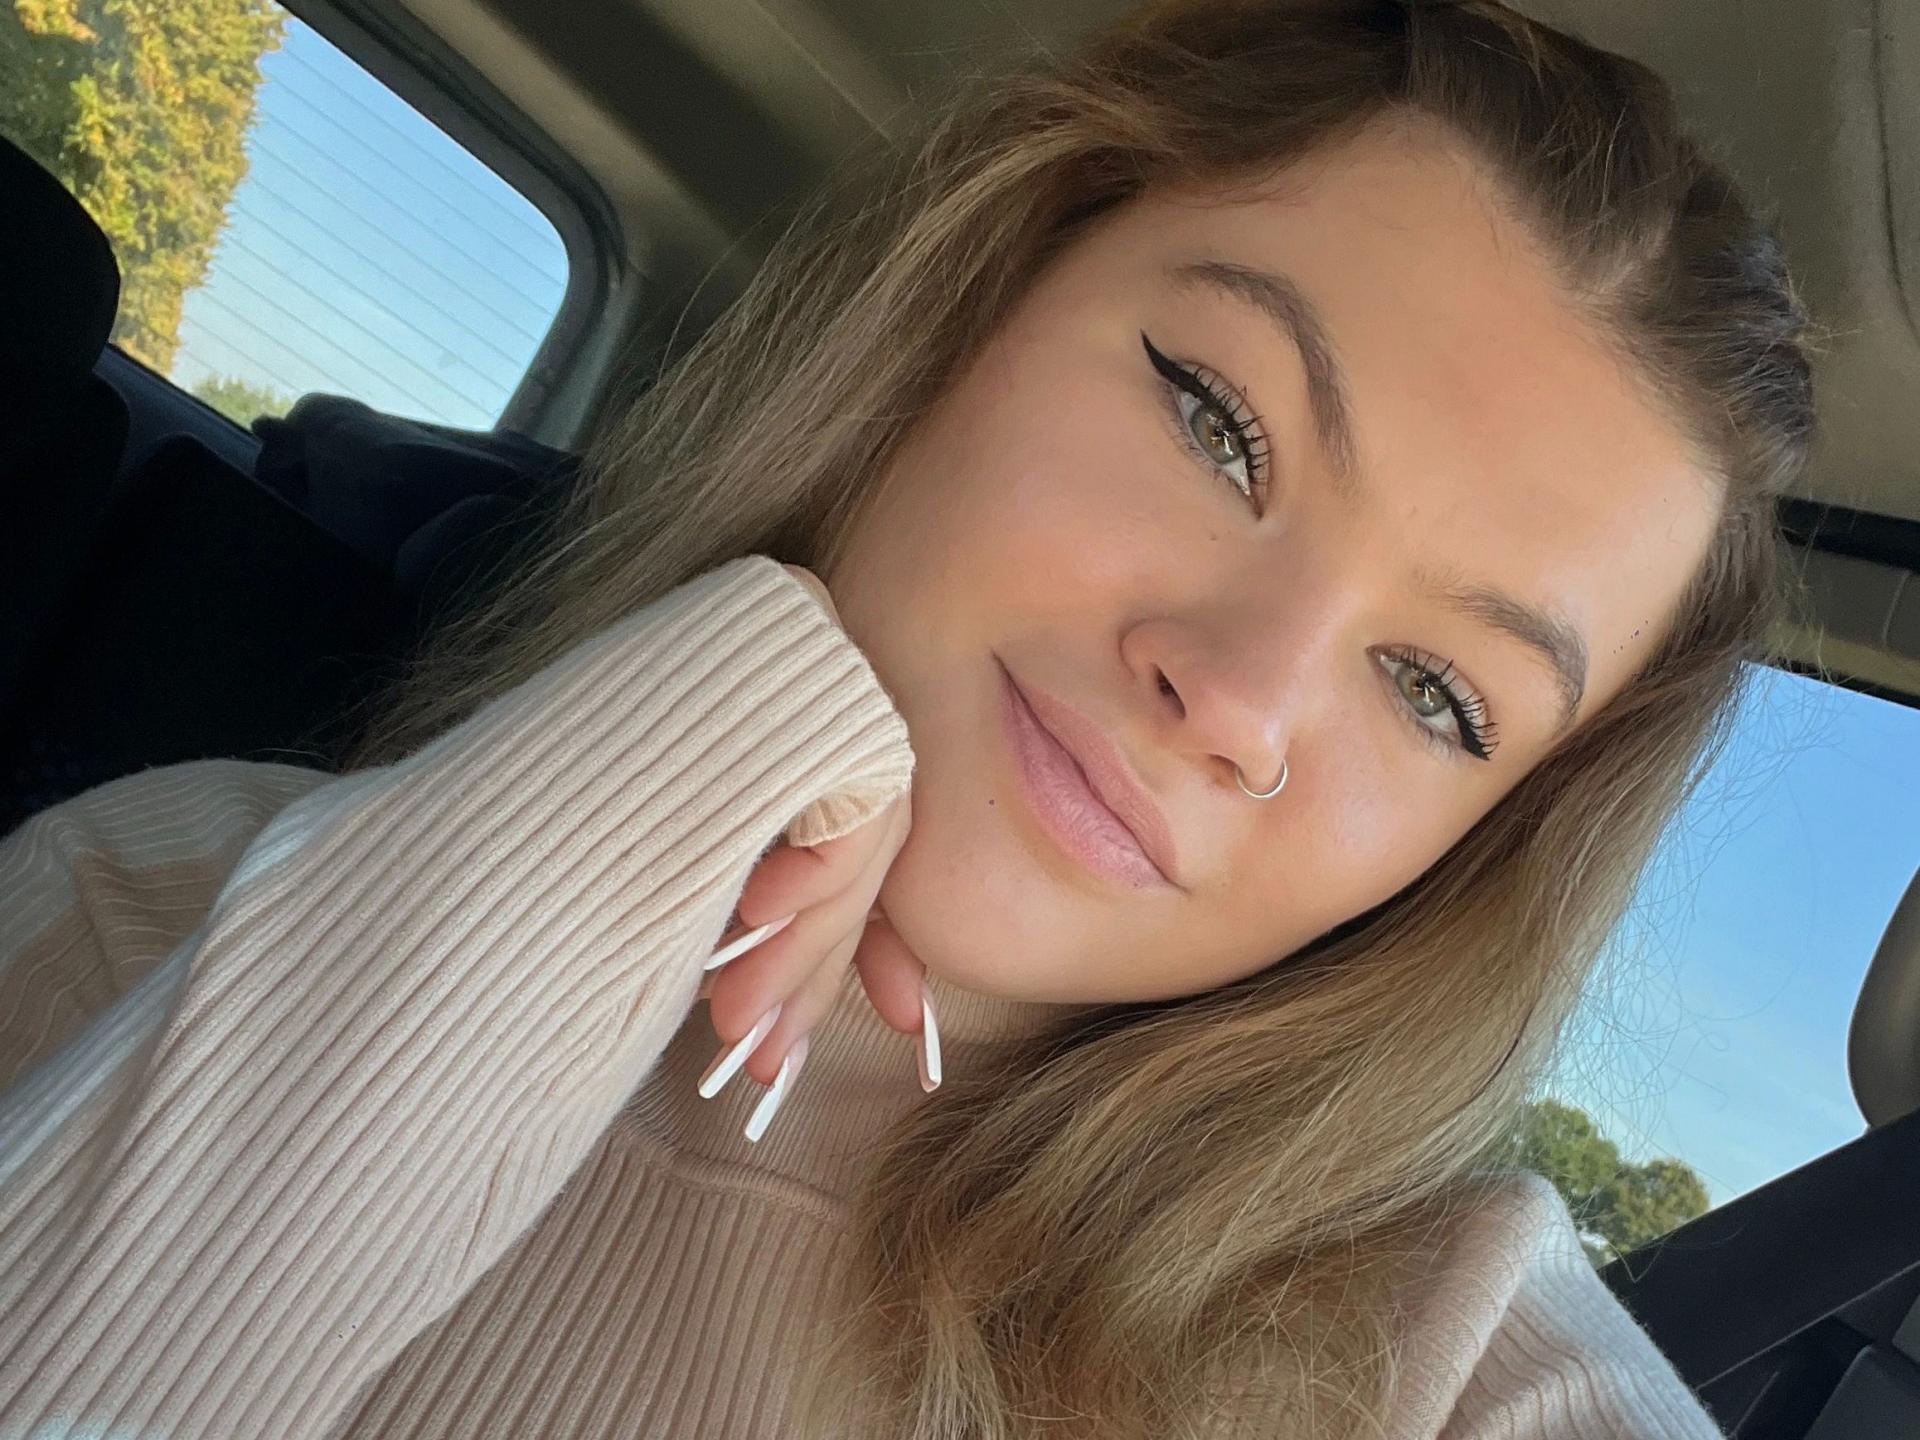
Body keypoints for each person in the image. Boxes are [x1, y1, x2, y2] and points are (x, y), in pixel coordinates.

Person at [0, 0, 1817, 1436]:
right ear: (964, 311)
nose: (1239, 697)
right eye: (1220, 423)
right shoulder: (154, 901)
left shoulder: (1423, 1358)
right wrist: (668, 772)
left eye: (1438, 695)